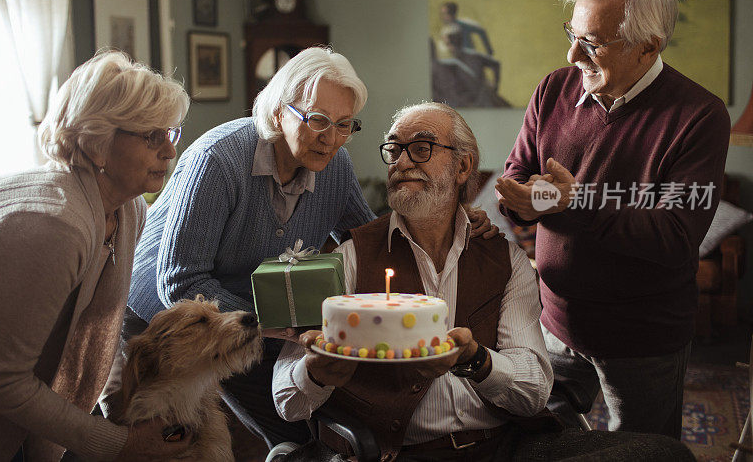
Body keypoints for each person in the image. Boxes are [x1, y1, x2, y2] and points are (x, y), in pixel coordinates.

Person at [274, 103, 697, 461]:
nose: (402, 162)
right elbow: (286, 398)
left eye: (421, 148)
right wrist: (315, 372)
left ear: (463, 167)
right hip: (402, 452)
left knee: (664, 453)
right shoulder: (349, 257)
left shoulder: (505, 260)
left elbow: (533, 390)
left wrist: (476, 360)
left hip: (504, 447)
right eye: (394, 150)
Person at [124, 47, 498, 448]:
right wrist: (272, 323)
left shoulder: (333, 165)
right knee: (263, 435)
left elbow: (368, 240)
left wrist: (457, 216)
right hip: (168, 325)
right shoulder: (219, 159)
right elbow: (181, 282)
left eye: (344, 125)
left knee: (317, 417)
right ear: (279, 112)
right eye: (318, 120)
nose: (331, 139)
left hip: (258, 322)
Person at [497, 0, 730, 439]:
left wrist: (573, 202)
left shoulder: (699, 116)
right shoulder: (553, 89)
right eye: (573, 34)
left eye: (594, 43)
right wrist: (530, 200)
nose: (572, 54)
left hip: (643, 340)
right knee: (539, 441)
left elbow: (674, 237)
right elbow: (516, 181)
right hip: (554, 323)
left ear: (650, 46)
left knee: (642, 451)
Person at [0, 51, 193, 461]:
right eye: (152, 136)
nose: (169, 152)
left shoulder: (128, 207)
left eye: (171, 132)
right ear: (97, 142)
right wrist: (119, 444)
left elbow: (103, 326)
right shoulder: (54, 226)